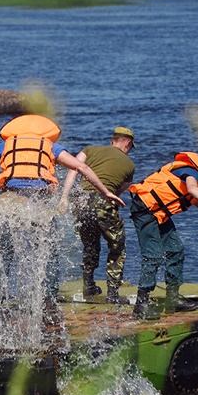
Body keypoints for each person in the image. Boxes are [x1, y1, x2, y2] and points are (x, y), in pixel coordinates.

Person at [0, 115, 124, 311]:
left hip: (11, 202)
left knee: (5, 250)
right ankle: (48, 298)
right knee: (48, 249)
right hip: (39, 203)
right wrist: (105, 192)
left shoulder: (7, 145)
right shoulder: (51, 147)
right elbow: (81, 167)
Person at [129, 152, 198, 318]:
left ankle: (173, 299)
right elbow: (192, 190)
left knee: (176, 249)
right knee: (153, 255)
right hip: (145, 210)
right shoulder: (191, 172)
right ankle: (141, 305)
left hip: (159, 214)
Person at [58, 126, 136, 304]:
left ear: (112, 141)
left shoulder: (90, 149)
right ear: (128, 144)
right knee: (117, 247)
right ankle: (113, 295)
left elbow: (73, 169)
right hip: (103, 201)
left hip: (81, 201)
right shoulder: (130, 165)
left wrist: (64, 198)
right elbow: (118, 193)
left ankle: (88, 286)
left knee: (90, 244)